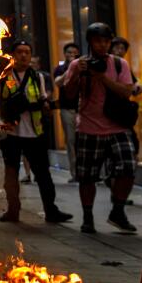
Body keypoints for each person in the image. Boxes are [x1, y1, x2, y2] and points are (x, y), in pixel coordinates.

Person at [61, 22, 139, 234]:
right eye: (98, 41)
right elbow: (68, 95)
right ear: (90, 42)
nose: (103, 45)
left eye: (106, 41)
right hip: (88, 127)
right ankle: (87, 217)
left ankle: (118, 211)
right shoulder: (78, 64)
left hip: (117, 127)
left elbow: (126, 92)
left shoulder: (120, 64)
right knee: (87, 176)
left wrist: (102, 77)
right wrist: (79, 74)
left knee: (128, 168)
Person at [0, 41, 72, 224]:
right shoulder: (5, 77)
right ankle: (13, 210)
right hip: (10, 134)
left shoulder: (37, 77)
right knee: (11, 174)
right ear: (13, 55)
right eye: (19, 52)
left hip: (34, 134)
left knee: (43, 174)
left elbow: (43, 100)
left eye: (27, 52)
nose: (24, 56)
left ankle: (51, 211)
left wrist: (47, 108)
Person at [53, 41, 82, 182]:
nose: (72, 55)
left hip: (82, 109)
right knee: (71, 140)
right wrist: (70, 69)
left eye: (74, 53)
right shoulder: (60, 68)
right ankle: (74, 172)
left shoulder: (83, 68)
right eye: (69, 52)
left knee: (83, 141)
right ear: (65, 54)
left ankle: (86, 171)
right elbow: (58, 82)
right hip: (67, 109)